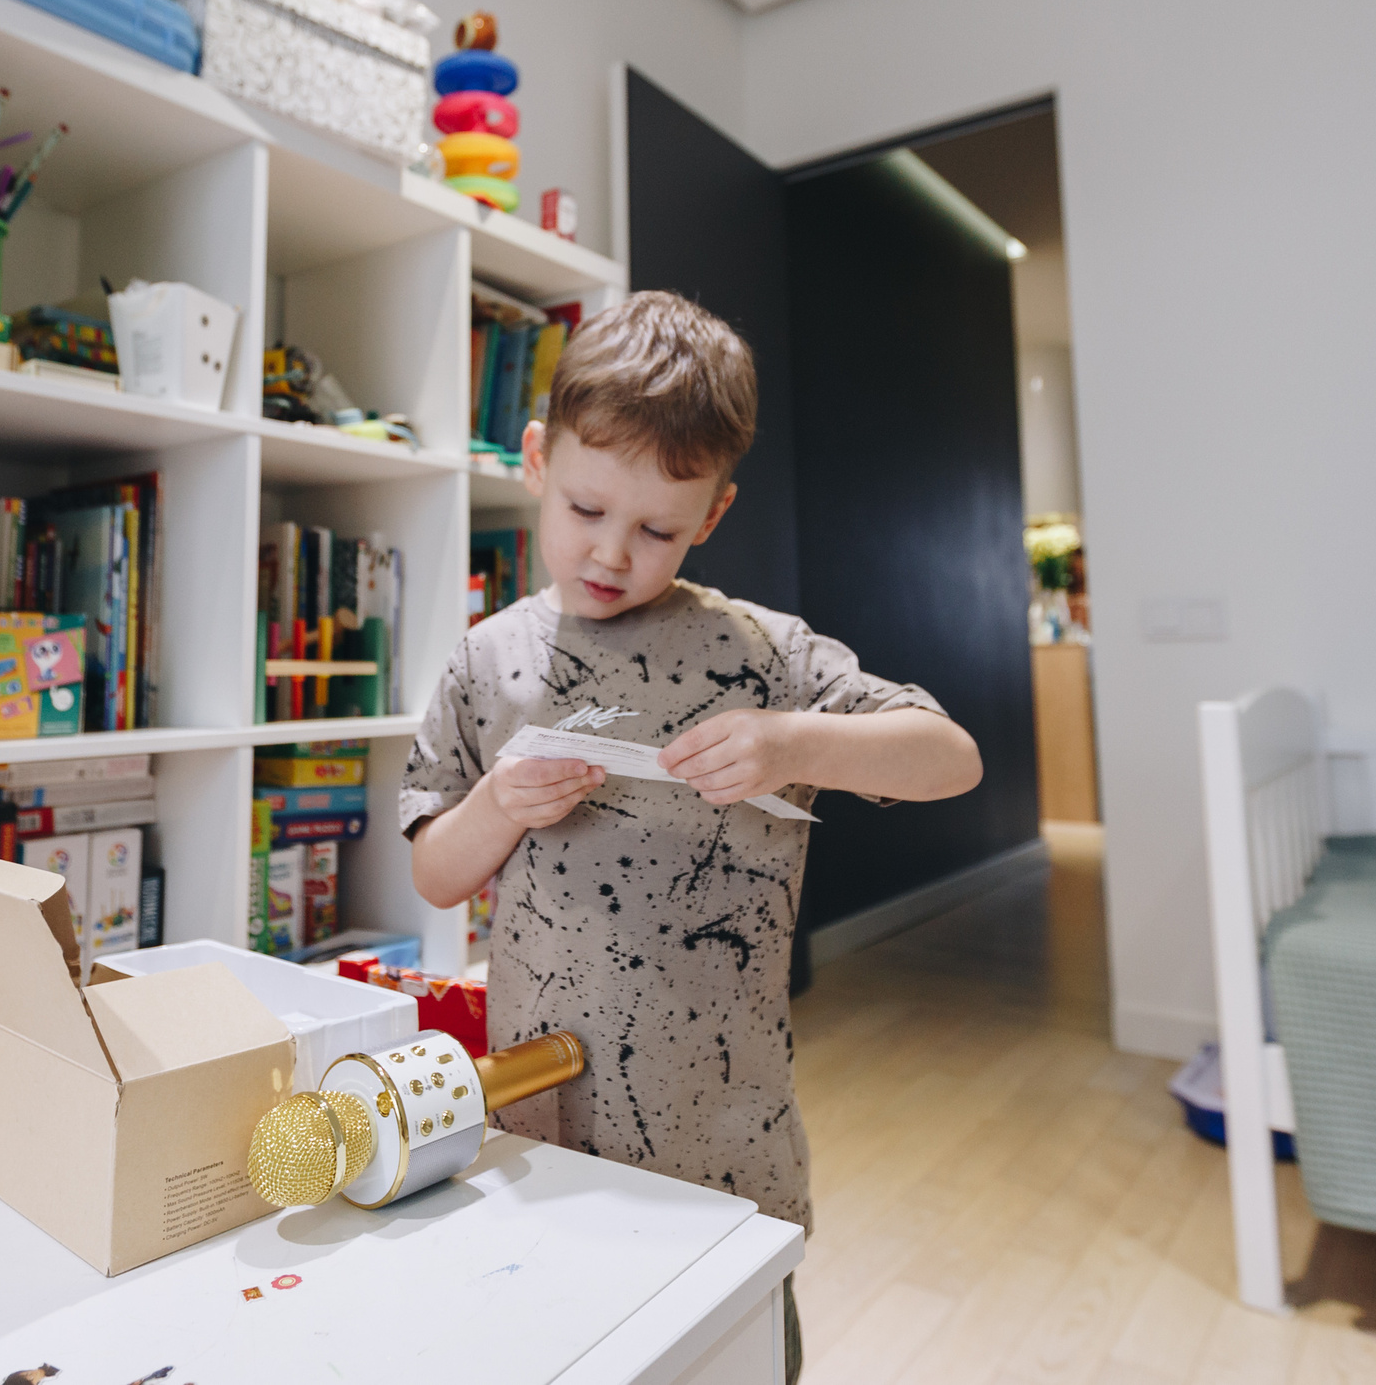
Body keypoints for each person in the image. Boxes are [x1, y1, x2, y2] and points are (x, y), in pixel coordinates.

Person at [402, 290, 983, 1384]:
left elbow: (949, 757)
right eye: (585, 509)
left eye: (657, 530)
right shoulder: (488, 661)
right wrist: (499, 806)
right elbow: (435, 874)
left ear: (711, 517)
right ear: (534, 458)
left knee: (737, 1359)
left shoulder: (761, 655)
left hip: (723, 1146)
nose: (612, 553)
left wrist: (791, 745)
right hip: (540, 1135)